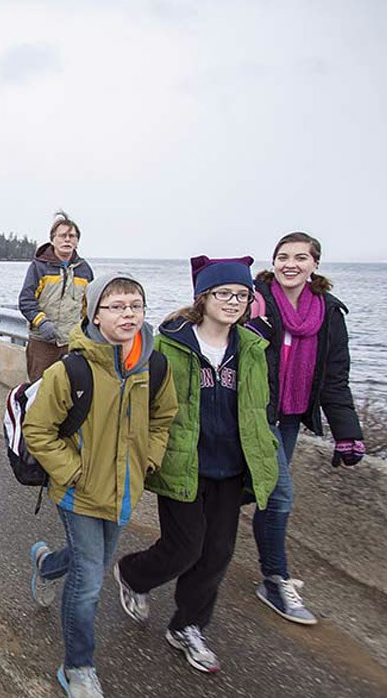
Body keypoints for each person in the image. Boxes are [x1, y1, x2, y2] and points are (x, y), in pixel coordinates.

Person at [114, 256, 279, 676]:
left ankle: (187, 626)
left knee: (217, 553)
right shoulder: (171, 345)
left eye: (242, 295)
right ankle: (133, 573)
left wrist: (264, 456)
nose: (233, 301)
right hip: (182, 464)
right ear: (203, 297)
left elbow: (260, 409)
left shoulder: (253, 349)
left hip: (231, 470)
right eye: (223, 293)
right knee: (184, 547)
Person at [25, 273, 178, 698]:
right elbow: (38, 430)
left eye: (136, 305)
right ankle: (78, 668)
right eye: (117, 306)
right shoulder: (71, 369)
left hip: (124, 489)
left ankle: (44, 565)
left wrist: (148, 459)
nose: (128, 313)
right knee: (90, 579)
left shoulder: (155, 365)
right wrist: (72, 471)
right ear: (94, 313)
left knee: (84, 560)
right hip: (77, 491)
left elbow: (164, 418)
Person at [248, 231, 364, 625]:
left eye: (300, 257)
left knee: (267, 496)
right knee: (279, 494)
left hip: (292, 416)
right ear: (273, 260)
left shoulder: (328, 312)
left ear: (315, 263)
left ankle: (269, 576)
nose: (290, 264)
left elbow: (334, 376)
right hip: (256, 415)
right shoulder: (257, 300)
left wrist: (347, 432)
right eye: (283, 256)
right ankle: (275, 578)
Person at [18, 211, 93, 381]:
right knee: (38, 389)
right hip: (43, 342)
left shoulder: (85, 270)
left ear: (77, 241)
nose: (67, 239)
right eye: (63, 235)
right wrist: (42, 322)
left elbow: (89, 307)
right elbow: (26, 301)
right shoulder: (39, 267)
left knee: (72, 391)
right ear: (53, 239)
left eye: (72, 236)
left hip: (72, 343)